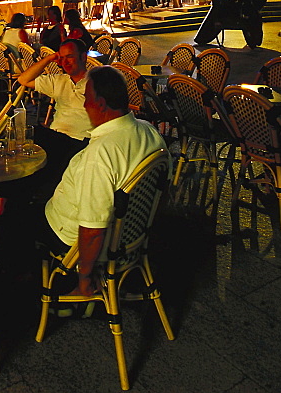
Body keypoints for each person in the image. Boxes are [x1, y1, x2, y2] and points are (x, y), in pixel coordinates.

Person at [41, 65, 169, 296]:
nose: (84, 105)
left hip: (71, 240)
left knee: (17, 220)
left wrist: (84, 280)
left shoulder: (100, 155)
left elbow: (92, 231)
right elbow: (161, 190)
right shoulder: (150, 132)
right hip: (132, 234)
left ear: (100, 103)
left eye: (86, 98)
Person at [16, 39, 92, 187]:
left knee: (32, 171)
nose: (65, 62)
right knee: (20, 146)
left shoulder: (97, 82)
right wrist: (49, 58)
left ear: (83, 57)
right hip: (55, 137)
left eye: (70, 56)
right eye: (62, 58)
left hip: (80, 142)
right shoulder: (58, 81)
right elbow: (23, 79)